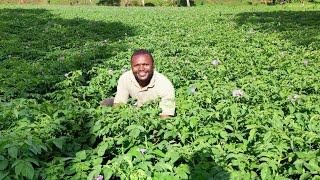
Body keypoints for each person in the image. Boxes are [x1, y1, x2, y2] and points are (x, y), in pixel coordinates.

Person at [101, 49, 175, 119]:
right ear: (131, 67)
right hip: (133, 110)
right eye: (136, 65)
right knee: (105, 103)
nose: (141, 69)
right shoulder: (125, 78)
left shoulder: (165, 84)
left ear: (153, 65)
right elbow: (119, 106)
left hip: (153, 115)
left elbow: (166, 117)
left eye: (146, 64)